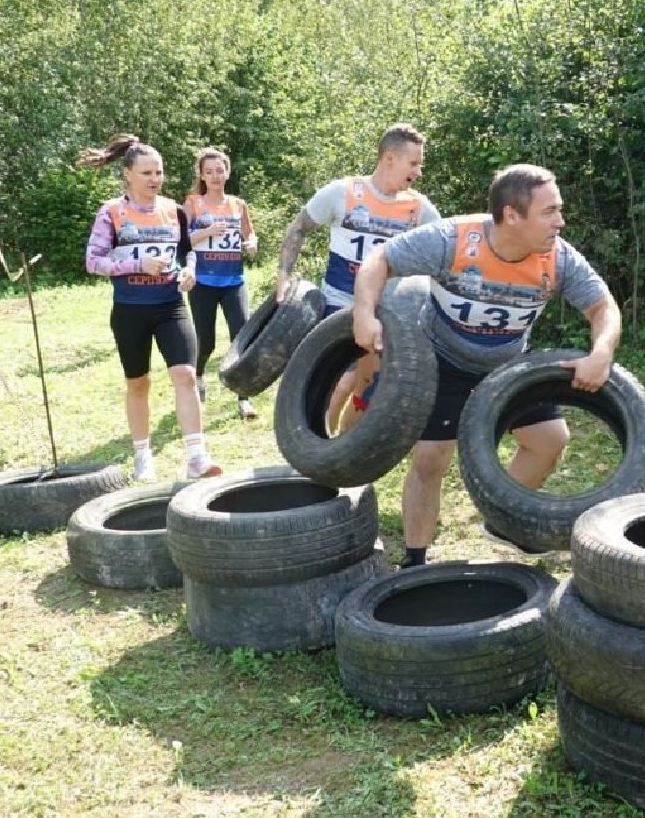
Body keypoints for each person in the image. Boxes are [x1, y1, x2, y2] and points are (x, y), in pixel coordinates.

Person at [352, 163, 621, 567]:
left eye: (559, 210)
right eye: (549, 212)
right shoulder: (454, 240)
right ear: (511, 215)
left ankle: (500, 521)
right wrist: (364, 313)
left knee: (550, 440)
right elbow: (380, 260)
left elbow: (603, 307)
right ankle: (415, 559)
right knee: (431, 457)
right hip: (442, 361)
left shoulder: (558, 259)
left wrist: (600, 353)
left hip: (508, 366)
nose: (560, 222)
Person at [274, 124, 440, 430]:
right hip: (338, 303)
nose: (418, 172)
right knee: (341, 377)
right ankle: (318, 437)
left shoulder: (418, 208)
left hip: (384, 311)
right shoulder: (343, 192)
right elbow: (299, 227)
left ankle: (344, 452)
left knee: (366, 389)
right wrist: (284, 274)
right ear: (389, 158)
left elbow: (446, 253)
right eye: (413, 163)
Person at [79, 134, 223, 482]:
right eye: (146, 173)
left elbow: (187, 251)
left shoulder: (174, 210)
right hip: (130, 309)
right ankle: (143, 455)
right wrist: (136, 266)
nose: (155, 179)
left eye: (158, 172)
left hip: (170, 305)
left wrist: (190, 271)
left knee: (186, 375)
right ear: (128, 174)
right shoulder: (111, 212)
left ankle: (196, 456)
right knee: (138, 383)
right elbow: (92, 261)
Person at [184, 147, 260, 420]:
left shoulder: (238, 204)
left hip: (233, 281)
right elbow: (182, 242)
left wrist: (251, 244)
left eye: (220, 170)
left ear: (227, 172)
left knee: (242, 338)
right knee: (205, 341)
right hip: (203, 281)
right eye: (209, 172)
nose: (215, 176)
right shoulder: (193, 203)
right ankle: (200, 377)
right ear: (202, 176)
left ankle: (244, 398)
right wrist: (207, 231)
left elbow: (250, 236)